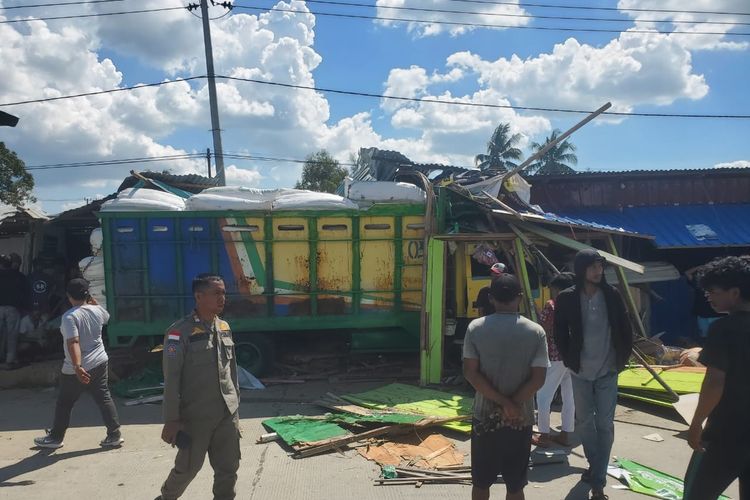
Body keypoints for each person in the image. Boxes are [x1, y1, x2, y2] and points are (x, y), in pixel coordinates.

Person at [554, 249, 632, 500]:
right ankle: (595, 465)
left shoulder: (612, 295)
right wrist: (569, 360)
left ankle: (598, 481)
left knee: (605, 425)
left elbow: (625, 328)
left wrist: (621, 360)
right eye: (593, 267)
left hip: (608, 370)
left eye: (600, 267)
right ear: (581, 270)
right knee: (585, 423)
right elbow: (559, 332)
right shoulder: (567, 298)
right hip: (580, 371)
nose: (598, 272)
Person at [463, 274, 550, 500]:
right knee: (515, 485)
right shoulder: (535, 331)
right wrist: (513, 406)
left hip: (485, 417)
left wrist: (502, 403)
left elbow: (470, 372)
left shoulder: (476, 328)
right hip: (520, 419)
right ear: (520, 298)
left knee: (481, 482)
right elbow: (538, 378)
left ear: (491, 298)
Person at [157, 274, 240, 500]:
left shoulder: (224, 327)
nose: (222, 298)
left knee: (228, 469)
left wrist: (235, 408)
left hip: (226, 414)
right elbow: (172, 379)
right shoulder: (178, 332)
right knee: (187, 469)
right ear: (198, 296)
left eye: (223, 292)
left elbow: (231, 372)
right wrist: (172, 419)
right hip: (196, 416)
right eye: (216, 293)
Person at [683, 256, 750, 500]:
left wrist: (696, 423)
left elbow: (714, 382)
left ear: (734, 292)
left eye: (712, 291)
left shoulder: (724, 329)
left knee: (697, 495)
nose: (708, 296)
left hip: (725, 434)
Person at [33, 278, 123, 449]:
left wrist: (77, 367)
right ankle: (114, 434)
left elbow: (73, 342)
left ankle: (55, 437)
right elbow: (106, 317)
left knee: (65, 402)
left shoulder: (69, 316)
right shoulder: (97, 310)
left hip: (77, 367)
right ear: (87, 294)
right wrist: (91, 300)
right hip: (100, 361)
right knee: (104, 397)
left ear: (68, 296)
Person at [533, 272, 576, 448]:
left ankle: (543, 435)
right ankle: (565, 434)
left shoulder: (552, 305)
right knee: (569, 396)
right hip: (573, 356)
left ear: (557, 289)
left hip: (555, 355)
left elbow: (543, 329)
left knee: (543, 395)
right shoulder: (579, 303)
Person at [0, 254, 31, 370]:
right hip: (13, 309)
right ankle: (10, 360)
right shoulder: (19, 276)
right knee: (12, 335)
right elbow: (25, 294)